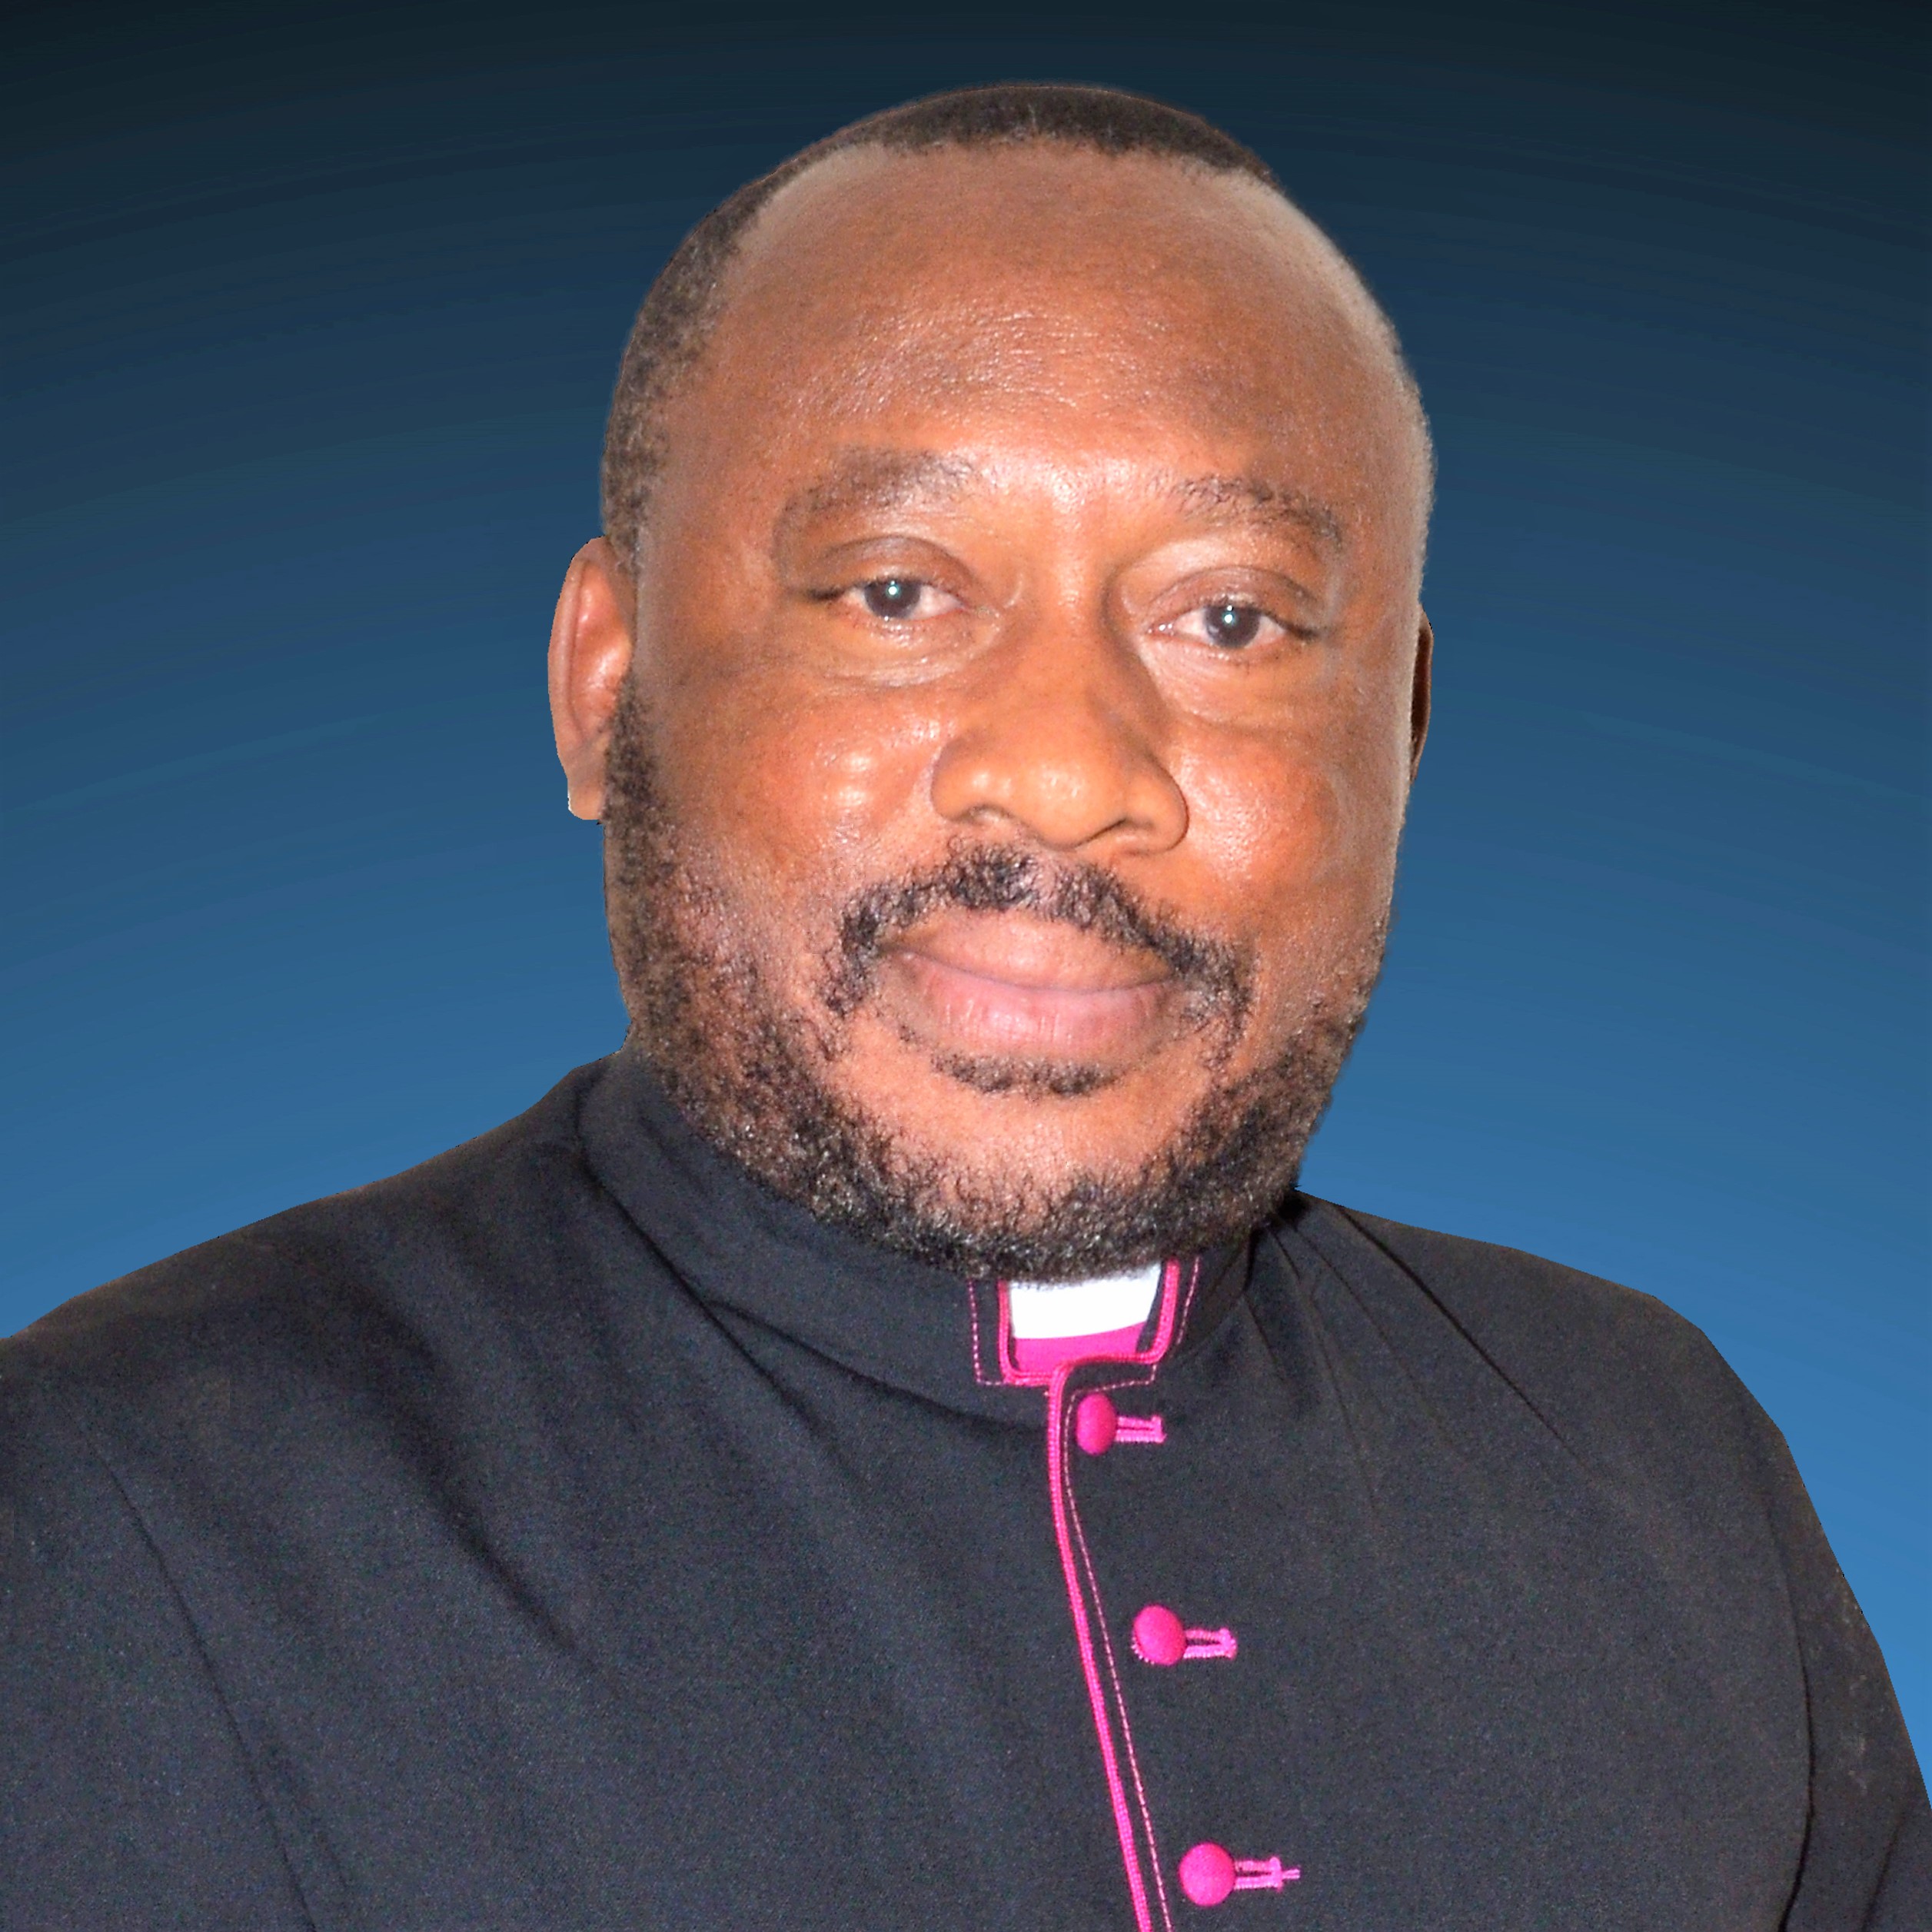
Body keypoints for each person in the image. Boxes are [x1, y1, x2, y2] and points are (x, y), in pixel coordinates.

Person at [2, 83, 1922, 1931]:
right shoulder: (116, 1514)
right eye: (897, 594)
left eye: (1232, 619)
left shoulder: (1654, 1461)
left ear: (1401, 733)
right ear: (606, 683)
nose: (1070, 771)